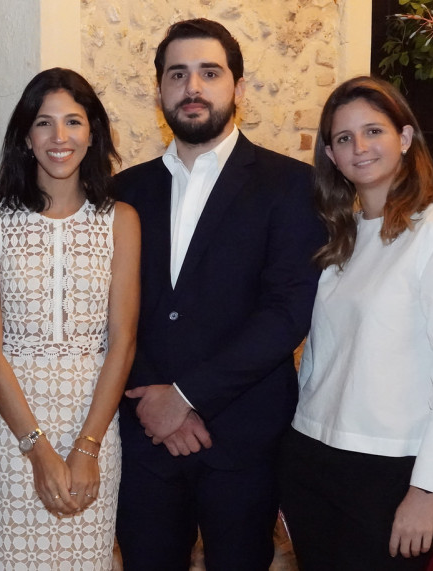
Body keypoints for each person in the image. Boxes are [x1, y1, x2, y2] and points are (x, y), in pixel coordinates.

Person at [114, 19, 325, 571]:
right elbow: (106, 310)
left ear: (239, 87)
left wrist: (184, 397)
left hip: (244, 440)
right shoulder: (122, 191)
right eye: (177, 74)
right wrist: (154, 401)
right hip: (144, 440)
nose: (193, 87)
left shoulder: (291, 186)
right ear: (158, 89)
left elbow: (286, 314)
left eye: (210, 72)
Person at [278, 76, 433, 570]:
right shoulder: (341, 239)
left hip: (390, 470)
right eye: (343, 138)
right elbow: (321, 359)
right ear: (331, 157)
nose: (360, 147)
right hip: (312, 455)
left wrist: (426, 490)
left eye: (373, 131)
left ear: (403, 138)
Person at [0, 67, 140, 570]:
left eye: (73, 122)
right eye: (44, 123)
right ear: (26, 136)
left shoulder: (121, 221)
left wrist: (87, 447)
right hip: (9, 434)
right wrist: (37, 450)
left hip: (94, 425)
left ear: (93, 134)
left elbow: (122, 343)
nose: (59, 138)